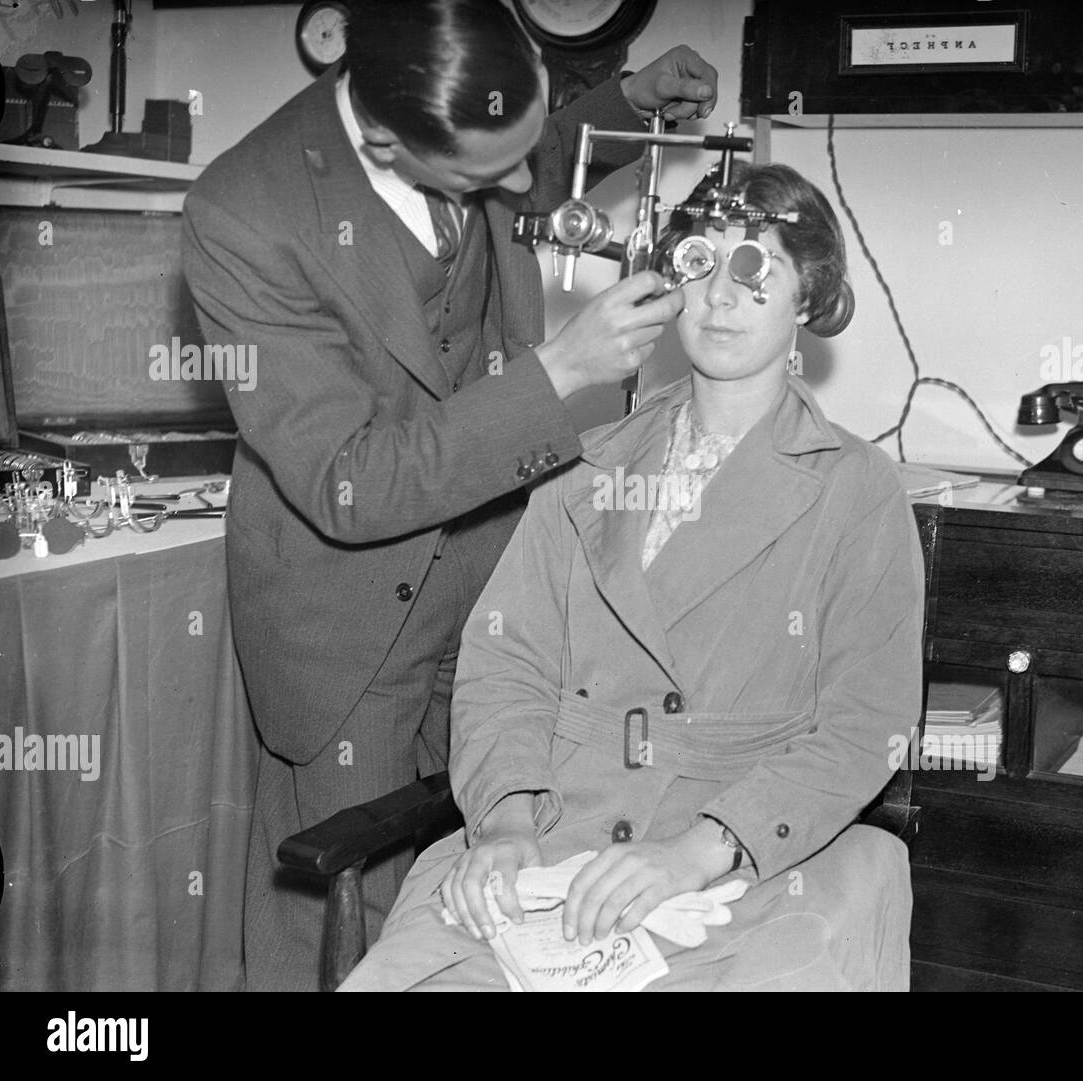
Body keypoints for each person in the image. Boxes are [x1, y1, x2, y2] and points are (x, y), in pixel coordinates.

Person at [180, 0, 719, 991]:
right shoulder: (241, 212)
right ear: (384, 138)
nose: (519, 190)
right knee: (347, 910)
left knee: (493, 892)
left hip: (490, 586)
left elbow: (527, 148)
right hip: (347, 616)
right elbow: (351, 481)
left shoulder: (458, 116)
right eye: (484, 178)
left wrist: (625, 98)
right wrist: (558, 374)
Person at [339, 162, 926, 992]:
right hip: (552, 836)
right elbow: (509, 663)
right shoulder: (587, 464)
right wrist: (506, 821)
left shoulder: (855, 488)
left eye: (756, 268)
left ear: (807, 298)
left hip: (737, 860)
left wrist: (696, 851)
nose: (721, 294)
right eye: (698, 261)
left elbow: (866, 725)